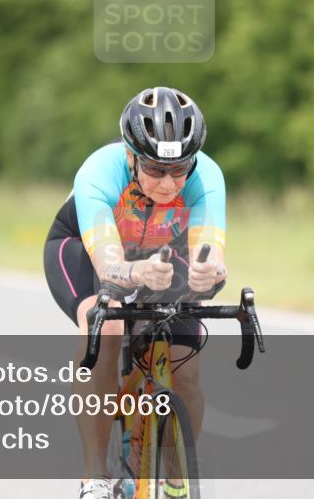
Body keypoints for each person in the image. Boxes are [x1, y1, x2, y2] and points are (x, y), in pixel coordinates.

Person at [44, 86, 229, 499]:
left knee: (187, 369)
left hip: (163, 250)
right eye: (155, 169)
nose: (168, 183)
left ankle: (177, 475)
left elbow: (209, 251)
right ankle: (95, 476)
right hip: (85, 248)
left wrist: (208, 272)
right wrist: (134, 272)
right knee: (103, 325)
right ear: (131, 155)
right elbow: (109, 265)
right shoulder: (99, 171)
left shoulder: (207, 176)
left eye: (179, 170)